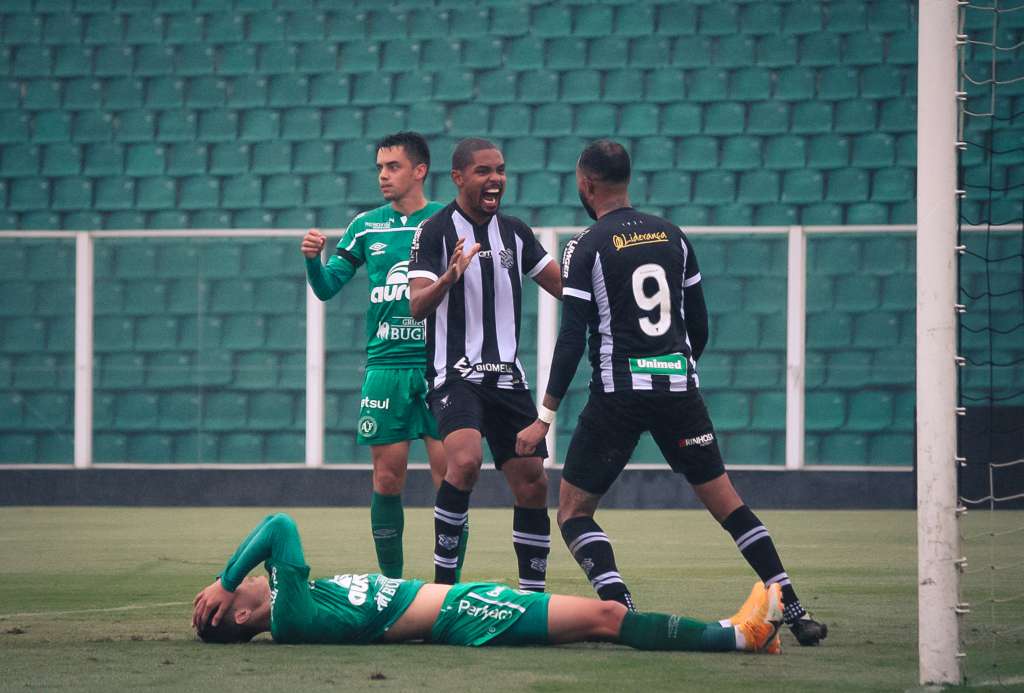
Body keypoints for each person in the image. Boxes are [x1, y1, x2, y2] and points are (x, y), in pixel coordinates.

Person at [514, 140, 828, 646]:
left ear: (586, 184)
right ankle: (794, 609)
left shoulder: (585, 245)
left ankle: (624, 611)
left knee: (573, 510)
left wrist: (544, 417)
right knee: (729, 505)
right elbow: (698, 325)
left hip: (618, 396)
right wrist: (675, 372)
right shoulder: (673, 235)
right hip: (679, 390)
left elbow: (573, 338)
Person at [191, 512, 783, 654]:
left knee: (604, 616)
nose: (239, 587)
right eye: (232, 599)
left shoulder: (289, 598)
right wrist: (224, 580)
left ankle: (744, 633)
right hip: (465, 614)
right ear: (242, 617)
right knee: (606, 617)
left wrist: (227, 584)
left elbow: (275, 539)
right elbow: (280, 525)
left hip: (464, 604)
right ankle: (736, 636)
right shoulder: (289, 614)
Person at [302, 131, 466, 580]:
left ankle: (445, 588)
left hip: (440, 366)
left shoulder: (449, 221)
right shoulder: (366, 226)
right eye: (379, 167)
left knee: (449, 477)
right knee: (386, 478)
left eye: (392, 167)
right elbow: (327, 288)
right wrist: (314, 261)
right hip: (386, 368)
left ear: (419, 171)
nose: (383, 176)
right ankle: (392, 586)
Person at [406, 138, 563, 591]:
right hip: (456, 374)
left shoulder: (516, 232)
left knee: (533, 483)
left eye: (500, 170)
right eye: (483, 171)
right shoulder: (435, 232)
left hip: (508, 379)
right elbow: (417, 306)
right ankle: (442, 589)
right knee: (467, 460)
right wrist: (450, 277)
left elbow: (562, 286)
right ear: (458, 178)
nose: (495, 179)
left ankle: (532, 596)